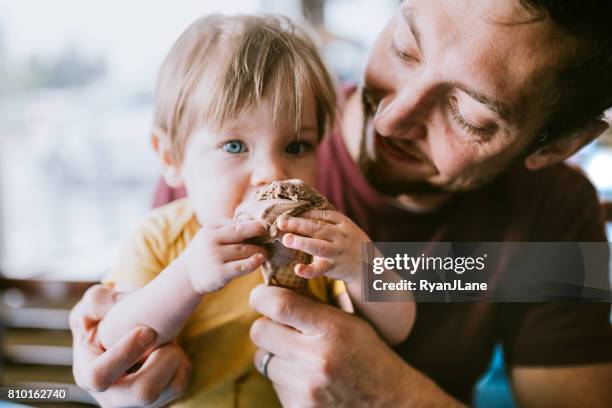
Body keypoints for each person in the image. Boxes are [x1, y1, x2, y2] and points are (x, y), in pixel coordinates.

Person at [70, 0, 612, 406]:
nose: (391, 119)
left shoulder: (561, 214)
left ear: (560, 145)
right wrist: (119, 371)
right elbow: (132, 342)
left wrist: (394, 394)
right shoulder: (213, 163)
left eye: (468, 114)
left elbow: (397, 317)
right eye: (405, 48)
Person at [74, 13, 415, 407]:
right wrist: (188, 277)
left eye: (296, 147)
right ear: (170, 157)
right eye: (235, 146)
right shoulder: (160, 235)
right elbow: (114, 340)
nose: (271, 173)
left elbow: (398, 327)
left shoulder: (315, 240)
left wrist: (359, 265)